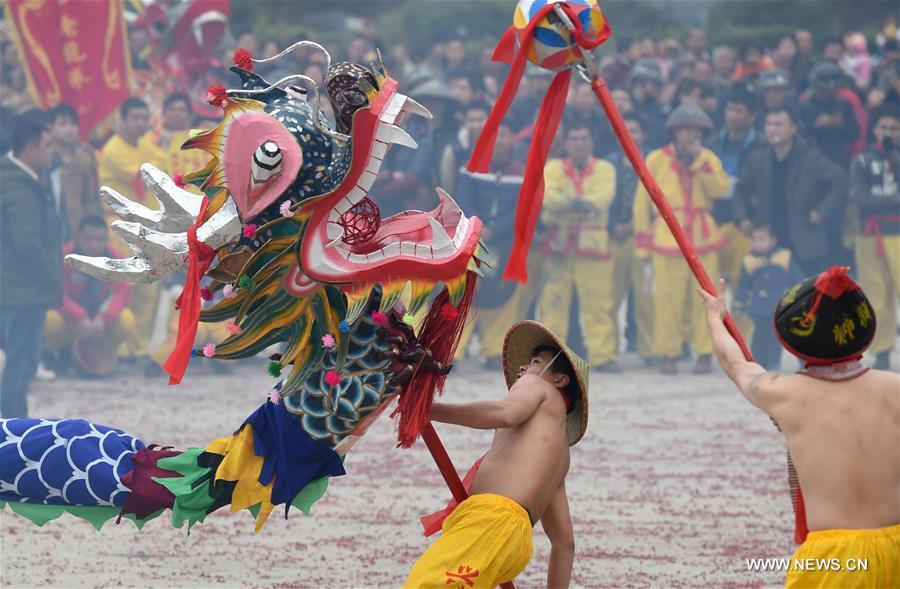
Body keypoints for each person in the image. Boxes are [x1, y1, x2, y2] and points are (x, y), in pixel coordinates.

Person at [699, 268, 899, 588]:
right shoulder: (895, 389)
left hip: (836, 560)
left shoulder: (786, 395)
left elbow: (735, 364)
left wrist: (715, 315)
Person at [404, 320, 590, 589]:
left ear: (560, 380)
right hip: (514, 543)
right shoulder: (561, 455)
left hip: (491, 521)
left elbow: (505, 413)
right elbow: (564, 544)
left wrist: (428, 409)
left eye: (536, 362)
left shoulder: (537, 386)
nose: (524, 368)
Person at [633, 103, 730, 374]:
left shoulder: (709, 159)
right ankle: (669, 353)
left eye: (697, 130)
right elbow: (642, 202)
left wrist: (701, 162)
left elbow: (719, 190)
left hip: (703, 237)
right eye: (686, 129)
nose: (691, 135)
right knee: (668, 300)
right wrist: (643, 245)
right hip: (667, 237)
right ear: (674, 132)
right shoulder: (656, 159)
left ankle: (705, 353)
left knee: (707, 300)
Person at [537, 125, 620, 372]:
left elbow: (603, 198)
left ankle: (603, 356)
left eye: (584, 138)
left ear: (591, 142)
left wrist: (566, 203)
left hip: (593, 246)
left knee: (599, 303)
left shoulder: (605, 169)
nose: (579, 143)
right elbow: (548, 197)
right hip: (560, 246)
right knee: (553, 303)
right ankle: (551, 356)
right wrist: (580, 204)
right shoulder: (553, 168)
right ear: (566, 143)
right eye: (574, 138)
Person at [734, 108, 848, 276]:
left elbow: (841, 180)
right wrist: (742, 218)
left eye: (779, 124)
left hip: (805, 243)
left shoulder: (810, 157)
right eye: (769, 124)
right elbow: (740, 190)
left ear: (793, 128)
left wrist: (822, 211)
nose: (773, 129)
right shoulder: (758, 159)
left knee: (810, 290)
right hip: (770, 243)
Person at [97, 97, 166, 375]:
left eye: (144, 118)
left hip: (148, 229)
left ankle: (138, 349)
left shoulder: (145, 146)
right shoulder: (114, 149)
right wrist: (158, 157)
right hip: (120, 227)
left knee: (149, 289)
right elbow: (146, 175)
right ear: (122, 120)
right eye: (135, 118)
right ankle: (121, 349)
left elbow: (161, 170)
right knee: (127, 286)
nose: (140, 123)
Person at [0, 114, 61, 417]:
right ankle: (13, 430)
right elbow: (26, 243)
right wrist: (52, 276)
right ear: (30, 149)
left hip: (12, 288)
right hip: (22, 291)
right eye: (48, 145)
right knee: (20, 365)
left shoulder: (10, 177)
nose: (52, 152)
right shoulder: (20, 187)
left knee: (16, 363)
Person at [454, 123, 528, 369]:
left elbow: (522, 209)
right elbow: (464, 201)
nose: (498, 140)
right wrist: (478, 228)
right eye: (493, 135)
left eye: (503, 134)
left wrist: (495, 229)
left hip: (505, 241)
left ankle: (495, 351)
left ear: (512, 139)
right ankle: (453, 351)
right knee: (466, 295)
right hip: (472, 239)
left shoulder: (521, 173)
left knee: (502, 295)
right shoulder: (470, 169)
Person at [42, 215, 135, 376]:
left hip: (101, 324)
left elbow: (121, 294)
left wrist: (103, 318)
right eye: (89, 239)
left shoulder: (116, 259)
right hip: (72, 321)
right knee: (48, 320)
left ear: (106, 240)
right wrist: (80, 317)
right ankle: (62, 352)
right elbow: (57, 293)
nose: (94, 244)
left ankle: (102, 353)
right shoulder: (64, 256)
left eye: (99, 240)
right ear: (78, 237)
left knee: (127, 319)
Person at [850, 106, 900, 371]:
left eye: (893, 128)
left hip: (898, 233)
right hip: (871, 235)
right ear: (875, 130)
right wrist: (893, 199)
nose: (888, 133)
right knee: (876, 294)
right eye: (883, 128)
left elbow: (871, 199)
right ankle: (882, 349)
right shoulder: (862, 161)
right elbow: (861, 200)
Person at [606, 112, 654, 364]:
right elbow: (605, 199)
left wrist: (636, 225)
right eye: (624, 130)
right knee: (611, 296)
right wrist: (614, 225)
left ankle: (650, 350)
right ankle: (609, 351)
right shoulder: (609, 163)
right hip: (613, 236)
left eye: (634, 130)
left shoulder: (653, 161)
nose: (629, 134)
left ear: (644, 134)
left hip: (644, 237)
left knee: (646, 298)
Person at [706, 86, 764, 292]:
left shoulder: (762, 145)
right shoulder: (712, 144)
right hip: (714, 220)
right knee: (710, 282)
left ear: (752, 116)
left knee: (742, 282)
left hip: (745, 222)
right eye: (730, 109)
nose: (733, 115)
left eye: (739, 111)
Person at [732, 224, 802, 370]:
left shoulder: (784, 257)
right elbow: (743, 286)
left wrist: (800, 295)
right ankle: (757, 362)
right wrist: (740, 303)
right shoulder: (749, 261)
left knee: (776, 336)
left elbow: (797, 279)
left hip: (778, 306)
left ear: (773, 240)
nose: (757, 243)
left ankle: (773, 363)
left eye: (762, 239)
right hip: (758, 307)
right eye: (755, 240)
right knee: (759, 335)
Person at [47, 103, 99, 238]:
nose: (69, 129)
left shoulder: (84, 159)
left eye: (73, 124)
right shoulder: (45, 158)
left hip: (78, 227)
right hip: (52, 226)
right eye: (63, 124)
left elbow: (90, 199)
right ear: (51, 128)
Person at [799, 63, 860, 168]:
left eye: (831, 90)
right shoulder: (805, 107)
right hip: (812, 159)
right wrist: (817, 126)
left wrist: (840, 125)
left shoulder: (844, 104)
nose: (827, 93)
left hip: (839, 158)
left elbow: (855, 133)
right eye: (823, 90)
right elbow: (799, 136)